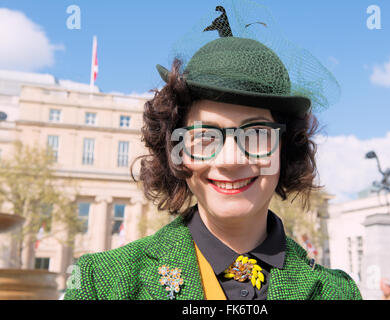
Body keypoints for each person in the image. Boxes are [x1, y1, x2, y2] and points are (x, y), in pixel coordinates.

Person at [64, 1, 362, 300]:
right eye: (205, 137)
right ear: (177, 152)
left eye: (256, 134)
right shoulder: (102, 283)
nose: (231, 159)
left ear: (284, 149)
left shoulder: (337, 292)